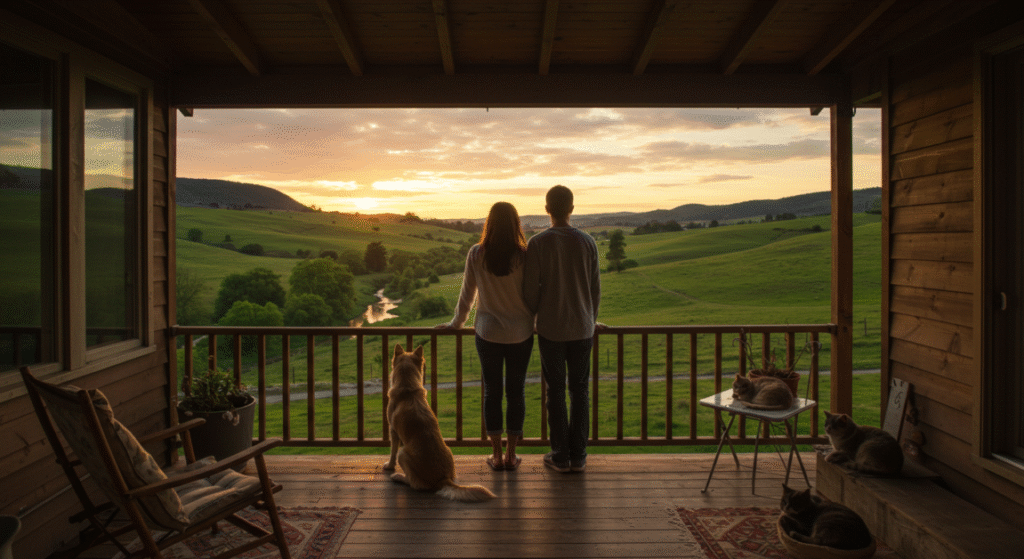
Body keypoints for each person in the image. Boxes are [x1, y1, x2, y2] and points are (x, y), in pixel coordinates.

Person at [437, 202, 534, 471]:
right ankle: (512, 455)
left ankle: (496, 454)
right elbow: (534, 295)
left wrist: (457, 323)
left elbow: (467, 293)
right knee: (516, 393)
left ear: (489, 223)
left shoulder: (477, 253)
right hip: (521, 333)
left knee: (492, 392)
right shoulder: (524, 256)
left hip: (488, 333)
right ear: (516, 224)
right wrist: (535, 321)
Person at [523, 185, 602, 473]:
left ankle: (560, 456)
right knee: (580, 390)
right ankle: (579, 456)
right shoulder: (587, 242)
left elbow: (530, 290)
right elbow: (595, 290)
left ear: (547, 209)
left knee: (555, 391)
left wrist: (535, 314)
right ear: (571, 208)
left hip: (551, 329)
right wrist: (590, 318)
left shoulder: (538, 243)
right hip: (582, 328)